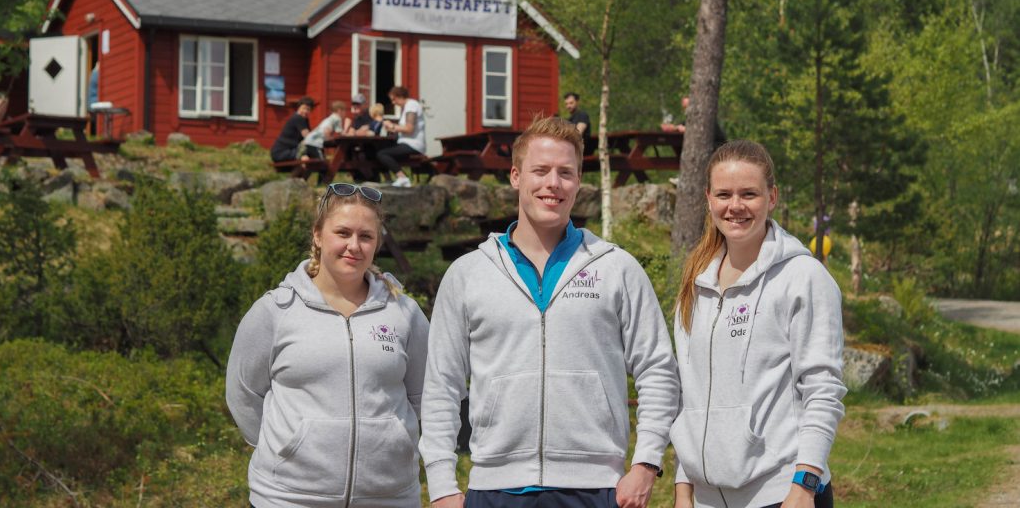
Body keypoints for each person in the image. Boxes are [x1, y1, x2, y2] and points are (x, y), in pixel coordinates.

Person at [419, 116, 680, 508]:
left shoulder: (617, 268)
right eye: (540, 171)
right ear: (515, 177)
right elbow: (441, 385)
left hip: (595, 487)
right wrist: (441, 483)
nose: (553, 183)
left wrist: (646, 464)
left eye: (565, 173)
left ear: (578, 182)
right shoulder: (468, 274)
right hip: (495, 488)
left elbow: (658, 370)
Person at [226, 182, 430, 508]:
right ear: (318, 235)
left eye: (366, 236)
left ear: (377, 243)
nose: (354, 246)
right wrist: (288, 450)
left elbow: (426, 396)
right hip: (288, 499)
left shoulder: (405, 313)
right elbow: (243, 394)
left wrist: (396, 442)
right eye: (343, 233)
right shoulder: (275, 310)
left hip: (389, 498)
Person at [668, 139, 846, 508]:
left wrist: (805, 483)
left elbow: (823, 389)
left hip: (783, 493)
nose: (735, 206)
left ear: (772, 197)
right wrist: (683, 487)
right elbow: (691, 396)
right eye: (724, 194)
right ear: (708, 199)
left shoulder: (803, 277)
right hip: (706, 499)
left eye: (749, 194)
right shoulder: (696, 283)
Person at [378, 86, 426, 188]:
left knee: (382, 154)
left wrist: (392, 126)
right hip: (406, 143)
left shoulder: (411, 105)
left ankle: (403, 178)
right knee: (378, 148)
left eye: (394, 99)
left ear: (400, 96)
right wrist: (392, 128)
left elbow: (409, 128)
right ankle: (388, 180)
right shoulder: (406, 107)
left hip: (413, 145)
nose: (393, 103)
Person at [270, 96, 316, 163]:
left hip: (288, 151)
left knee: (311, 156)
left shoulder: (304, 120)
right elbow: (308, 137)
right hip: (281, 153)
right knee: (306, 158)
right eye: (304, 108)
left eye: (308, 109)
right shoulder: (298, 118)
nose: (305, 111)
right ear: (299, 107)